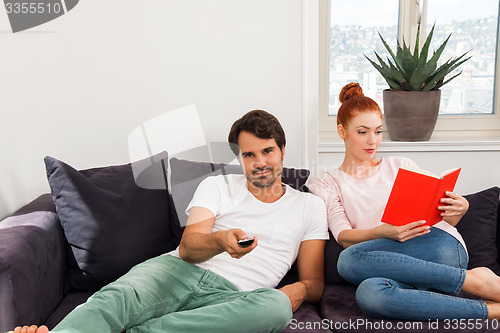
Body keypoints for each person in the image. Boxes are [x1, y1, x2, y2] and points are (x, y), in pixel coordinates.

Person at [10, 110, 328, 333]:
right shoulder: (218, 185)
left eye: (267, 151)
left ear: (283, 150)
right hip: (179, 271)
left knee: (274, 308)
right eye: (249, 155)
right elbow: (189, 248)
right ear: (238, 157)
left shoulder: (309, 206)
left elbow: (313, 284)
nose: (260, 163)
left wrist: (294, 294)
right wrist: (221, 241)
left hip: (236, 295)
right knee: (116, 298)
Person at [308, 82, 500, 321]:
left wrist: (460, 208)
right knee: (370, 292)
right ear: (341, 131)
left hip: (439, 248)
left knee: (348, 261)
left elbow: (444, 217)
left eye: (378, 131)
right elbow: (344, 236)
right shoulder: (326, 182)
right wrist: (383, 232)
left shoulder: (400, 165)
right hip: (393, 264)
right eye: (362, 132)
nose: (372, 141)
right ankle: (490, 308)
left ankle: (474, 281)